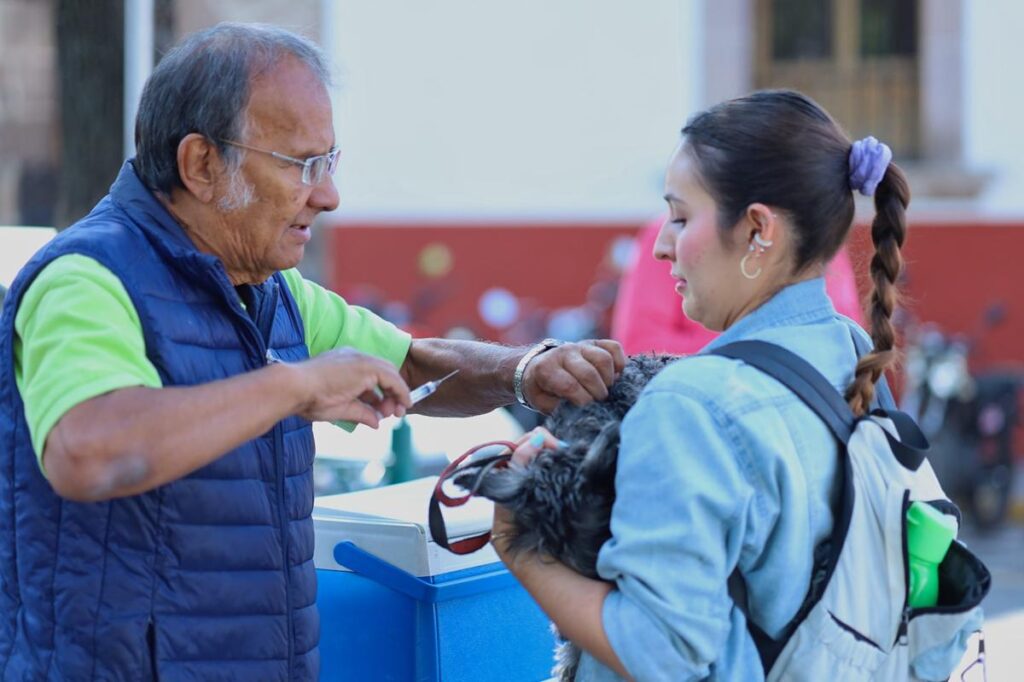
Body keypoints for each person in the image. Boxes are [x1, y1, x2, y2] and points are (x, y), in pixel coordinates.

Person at [0, 24, 624, 681]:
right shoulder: (86, 279)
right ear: (201, 165)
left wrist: (526, 372)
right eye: (301, 165)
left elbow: (408, 365)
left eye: (330, 163)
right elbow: (88, 451)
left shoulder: (272, 291)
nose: (328, 195)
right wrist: (293, 387)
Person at [491, 90, 965, 680]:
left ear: (757, 230)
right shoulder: (847, 350)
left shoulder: (690, 405)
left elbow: (660, 652)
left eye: (682, 217)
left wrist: (519, 544)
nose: (663, 245)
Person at [610, 213, 864, 355]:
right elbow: (640, 347)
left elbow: (844, 344)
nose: (663, 247)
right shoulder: (670, 239)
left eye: (683, 210)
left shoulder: (817, 244)